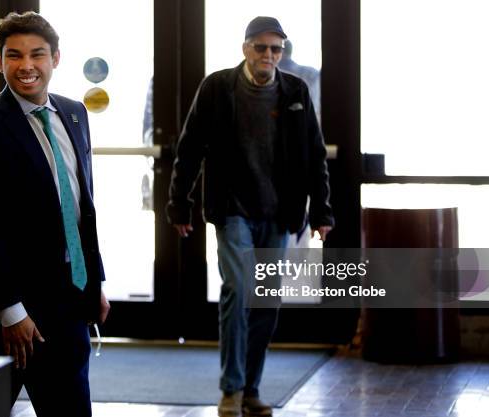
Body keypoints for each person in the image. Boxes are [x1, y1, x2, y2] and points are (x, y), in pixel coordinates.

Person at [0, 11, 109, 417]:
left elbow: (81, 206)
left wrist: (93, 280)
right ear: (0, 61)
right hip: (5, 308)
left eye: (37, 54)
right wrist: (11, 311)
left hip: (67, 299)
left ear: (56, 58)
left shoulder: (74, 114)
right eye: (14, 56)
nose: (26, 66)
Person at [166, 16, 334, 417]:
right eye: (261, 48)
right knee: (239, 291)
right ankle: (231, 389)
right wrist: (179, 202)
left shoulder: (295, 90)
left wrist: (322, 209)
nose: (268, 56)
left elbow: (314, 154)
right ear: (246, 49)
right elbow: (190, 148)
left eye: (275, 49)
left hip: (279, 214)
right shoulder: (217, 88)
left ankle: (252, 388)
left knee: (265, 302)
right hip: (233, 211)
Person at [277, 39, 321, 122]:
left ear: (281, 52)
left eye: (275, 48)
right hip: (309, 121)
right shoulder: (312, 73)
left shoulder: (271, 75)